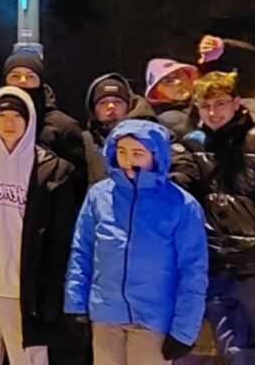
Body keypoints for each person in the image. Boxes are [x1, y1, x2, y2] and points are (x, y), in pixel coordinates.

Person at [167, 71, 255, 365]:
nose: (213, 112)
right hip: (215, 264)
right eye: (205, 105)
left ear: (237, 102)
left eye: (221, 103)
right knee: (232, 351)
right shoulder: (192, 144)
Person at [0, 88, 79, 365]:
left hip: (26, 295)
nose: (9, 123)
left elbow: (60, 241)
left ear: (30, 120)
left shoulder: (53, 170)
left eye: (17, 116)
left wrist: (52, 295)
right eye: (2, 115)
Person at [64, 120, 207, 365]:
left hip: (154, 321)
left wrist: (184, 330)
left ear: (156, 156)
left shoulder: (182, 205)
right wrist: (76, 305)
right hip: (106, 316)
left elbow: (193, 270)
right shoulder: (99, 196)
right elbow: (82, 252)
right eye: (122, 152)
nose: (128, 161)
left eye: (138, 153)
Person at [0, 51, 90, 191]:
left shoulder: (64, 127)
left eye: (30, 76)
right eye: (15, 76)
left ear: (41, 82)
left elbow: (77, 183)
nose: (22, 81)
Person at [82, 74, 156, 183]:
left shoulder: (151, 132)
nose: (111, 107)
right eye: (102, 103)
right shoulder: (85, 141)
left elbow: (176, 164)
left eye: (118, 102)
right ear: (93, 109)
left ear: (129, 105)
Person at [142, 58, 199, 140]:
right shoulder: (169, 119)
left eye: (180, 75)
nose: (178, 82)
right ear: (156, 92)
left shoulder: (202, 101)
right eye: (168, 81)